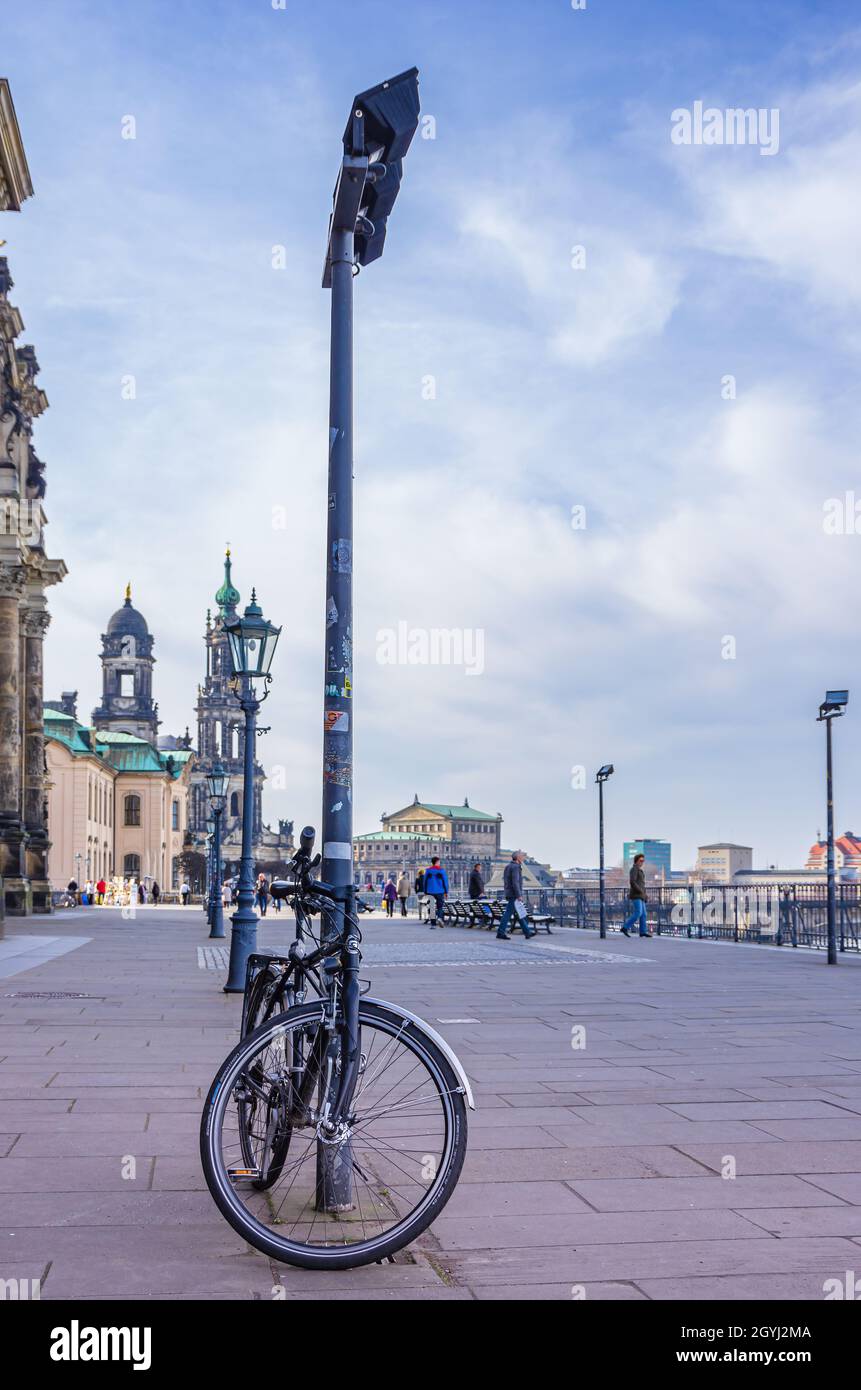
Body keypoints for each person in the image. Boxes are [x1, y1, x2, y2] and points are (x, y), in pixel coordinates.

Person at [497, 850, 536, 940]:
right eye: (522, 856)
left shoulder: (508, 866)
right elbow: (515, 882)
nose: (523, 857)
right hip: (514, 894)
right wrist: (519, 895)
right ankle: (500, 932)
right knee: (508, 914)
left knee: (519, 914)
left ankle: (527, 932)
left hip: (509, 893)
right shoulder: (516, 867)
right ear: (518, 857)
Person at [621, 853, 652, 938]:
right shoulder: (634, 869)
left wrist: (644, 894)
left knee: (644, 914)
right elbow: (632, 882)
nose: (642, 862)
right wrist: (640, 891)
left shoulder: (639, 870)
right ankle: (625, 927)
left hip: (641, 895)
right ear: (636, 861)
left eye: (643, 861)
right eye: (641, 861)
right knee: (638, 912)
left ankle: (642, 932)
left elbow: (641, 884)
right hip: (636, 895)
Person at [423, 857, 449, 929]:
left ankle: (433, 924)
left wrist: (425, 891)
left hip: (430, 891)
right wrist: (446, 891)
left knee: (431, 907)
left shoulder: (428, 871)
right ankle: (440, 918)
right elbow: (445, 882)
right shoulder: (441, 871)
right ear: (437, 862)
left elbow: (424, 882)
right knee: (440, 906)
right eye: (439, 862)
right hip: (440, 891)